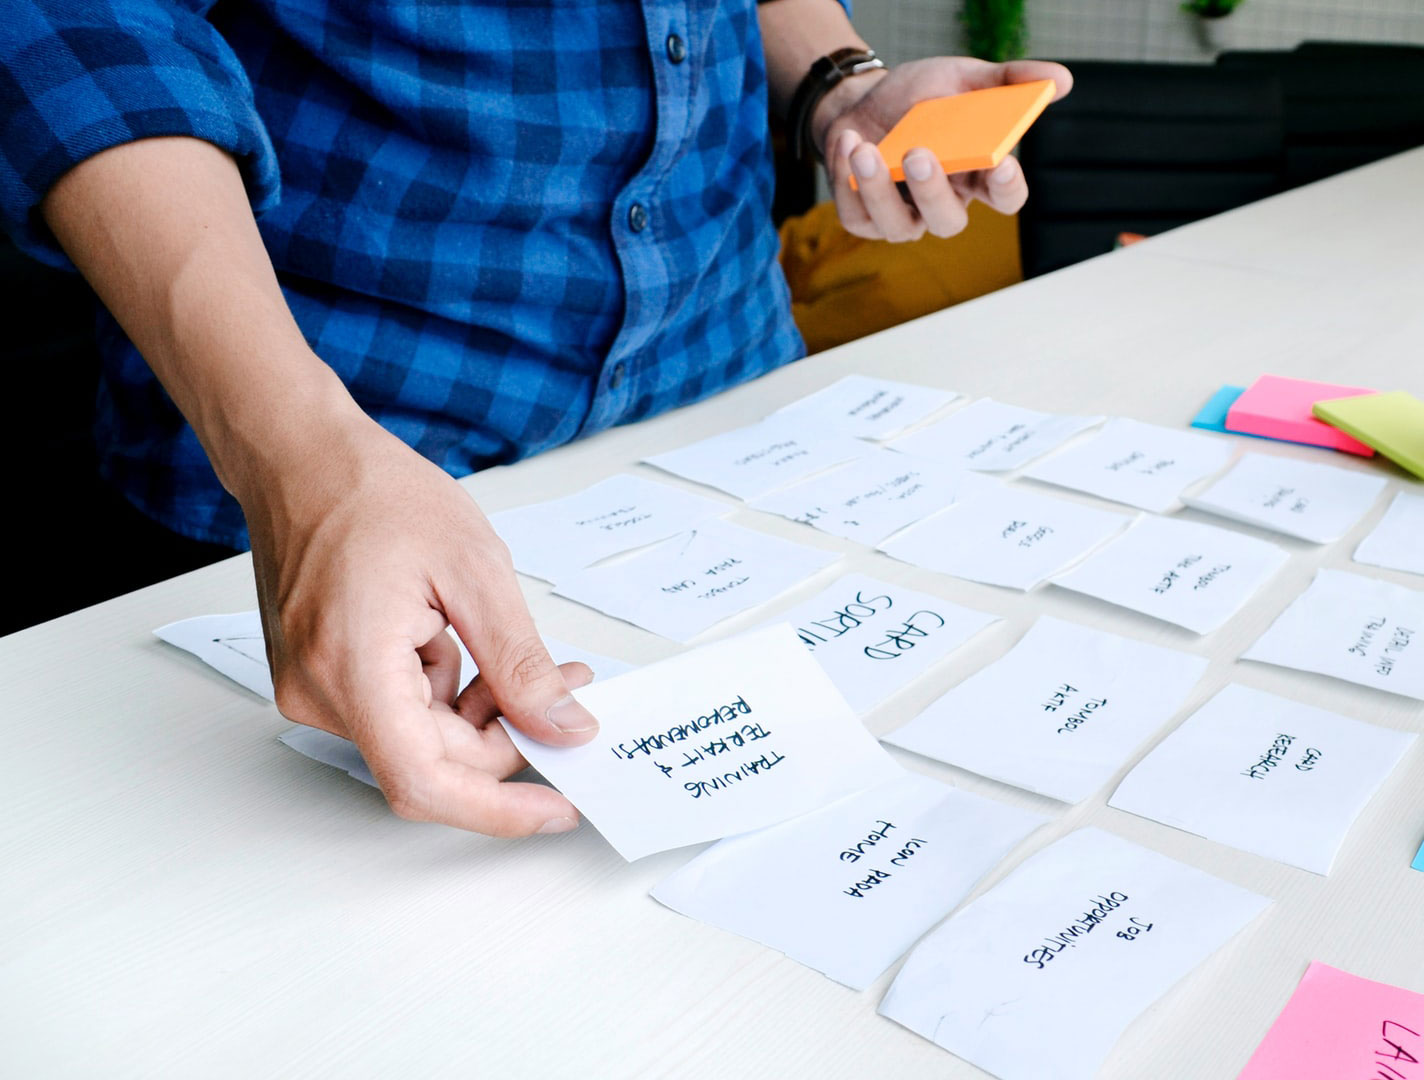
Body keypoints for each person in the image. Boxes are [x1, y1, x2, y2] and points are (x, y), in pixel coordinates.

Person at [1, 0, 1069, 838]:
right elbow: (81, 24)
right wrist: (296, 455)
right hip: (342, 451)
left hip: (724, 400)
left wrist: (840, 87)